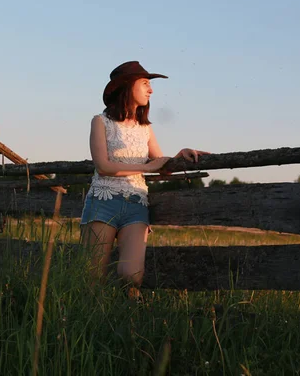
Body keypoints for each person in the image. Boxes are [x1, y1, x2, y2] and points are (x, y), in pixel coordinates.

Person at [79, 61, 207, 299]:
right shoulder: (100, 122)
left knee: (131, 275)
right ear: (128, 86)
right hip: (103, 200)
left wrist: (180, 155)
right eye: (146, 83)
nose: (151, 90)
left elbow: (160, 163)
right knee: (92, 275)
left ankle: (124, 318)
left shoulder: (145, 128)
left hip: (136, 203)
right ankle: (90, 320)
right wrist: (143, 167)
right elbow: (103, 166)